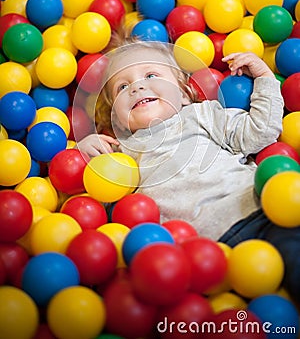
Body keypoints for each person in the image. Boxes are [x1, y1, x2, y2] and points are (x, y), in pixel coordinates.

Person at [76, 38, 300, 302]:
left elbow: (259, 133)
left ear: (183, 94)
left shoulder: (202, 115)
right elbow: (107, 204)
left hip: (260, 214)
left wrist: (264, 77)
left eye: (150, 74)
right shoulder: (124, 153)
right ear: (119, 120)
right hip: (202, 256)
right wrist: (89, 151)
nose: (137, 87)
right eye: (123, 86)